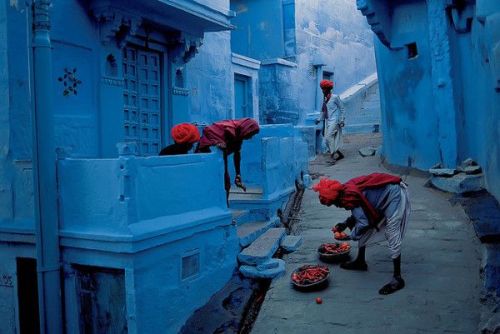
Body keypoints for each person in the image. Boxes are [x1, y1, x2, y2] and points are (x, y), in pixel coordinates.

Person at [312, 173, 411, 295]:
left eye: (333, 203)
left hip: (393, 194)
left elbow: (363, 222)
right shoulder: (344, 191)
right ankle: (360, 261)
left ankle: (397, 278)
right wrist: (345, 223)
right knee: (361, 225)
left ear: (336, 198)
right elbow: (361, 212)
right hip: (382, 195)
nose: (336, 206)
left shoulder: (350, 196)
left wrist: (351, 236)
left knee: (392, 231)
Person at [196, 118, 260, 205]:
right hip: (205, 156)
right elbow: (208, 130)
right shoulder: (229, 129)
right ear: (247, 128)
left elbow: (237, 154)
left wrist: (238, 175)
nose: (250, 137)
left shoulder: (239, 134)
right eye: (251, 133)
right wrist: (216, 141)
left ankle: (224, 207)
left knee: (226, 183)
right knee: (215, 184)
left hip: (220, 159)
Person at [315, 79, 345, 164]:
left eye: (324, 89)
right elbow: (324, 111)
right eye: (322, 89)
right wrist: (318, 120)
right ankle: (339, 154)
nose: (322, 91)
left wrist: (342, 120)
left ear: (328, 89)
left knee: (328, 137)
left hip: (335, 120)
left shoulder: (335, 97)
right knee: (328, 139)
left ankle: (332, 157)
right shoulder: (325, 99)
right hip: (328, 121)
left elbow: (342, 108)